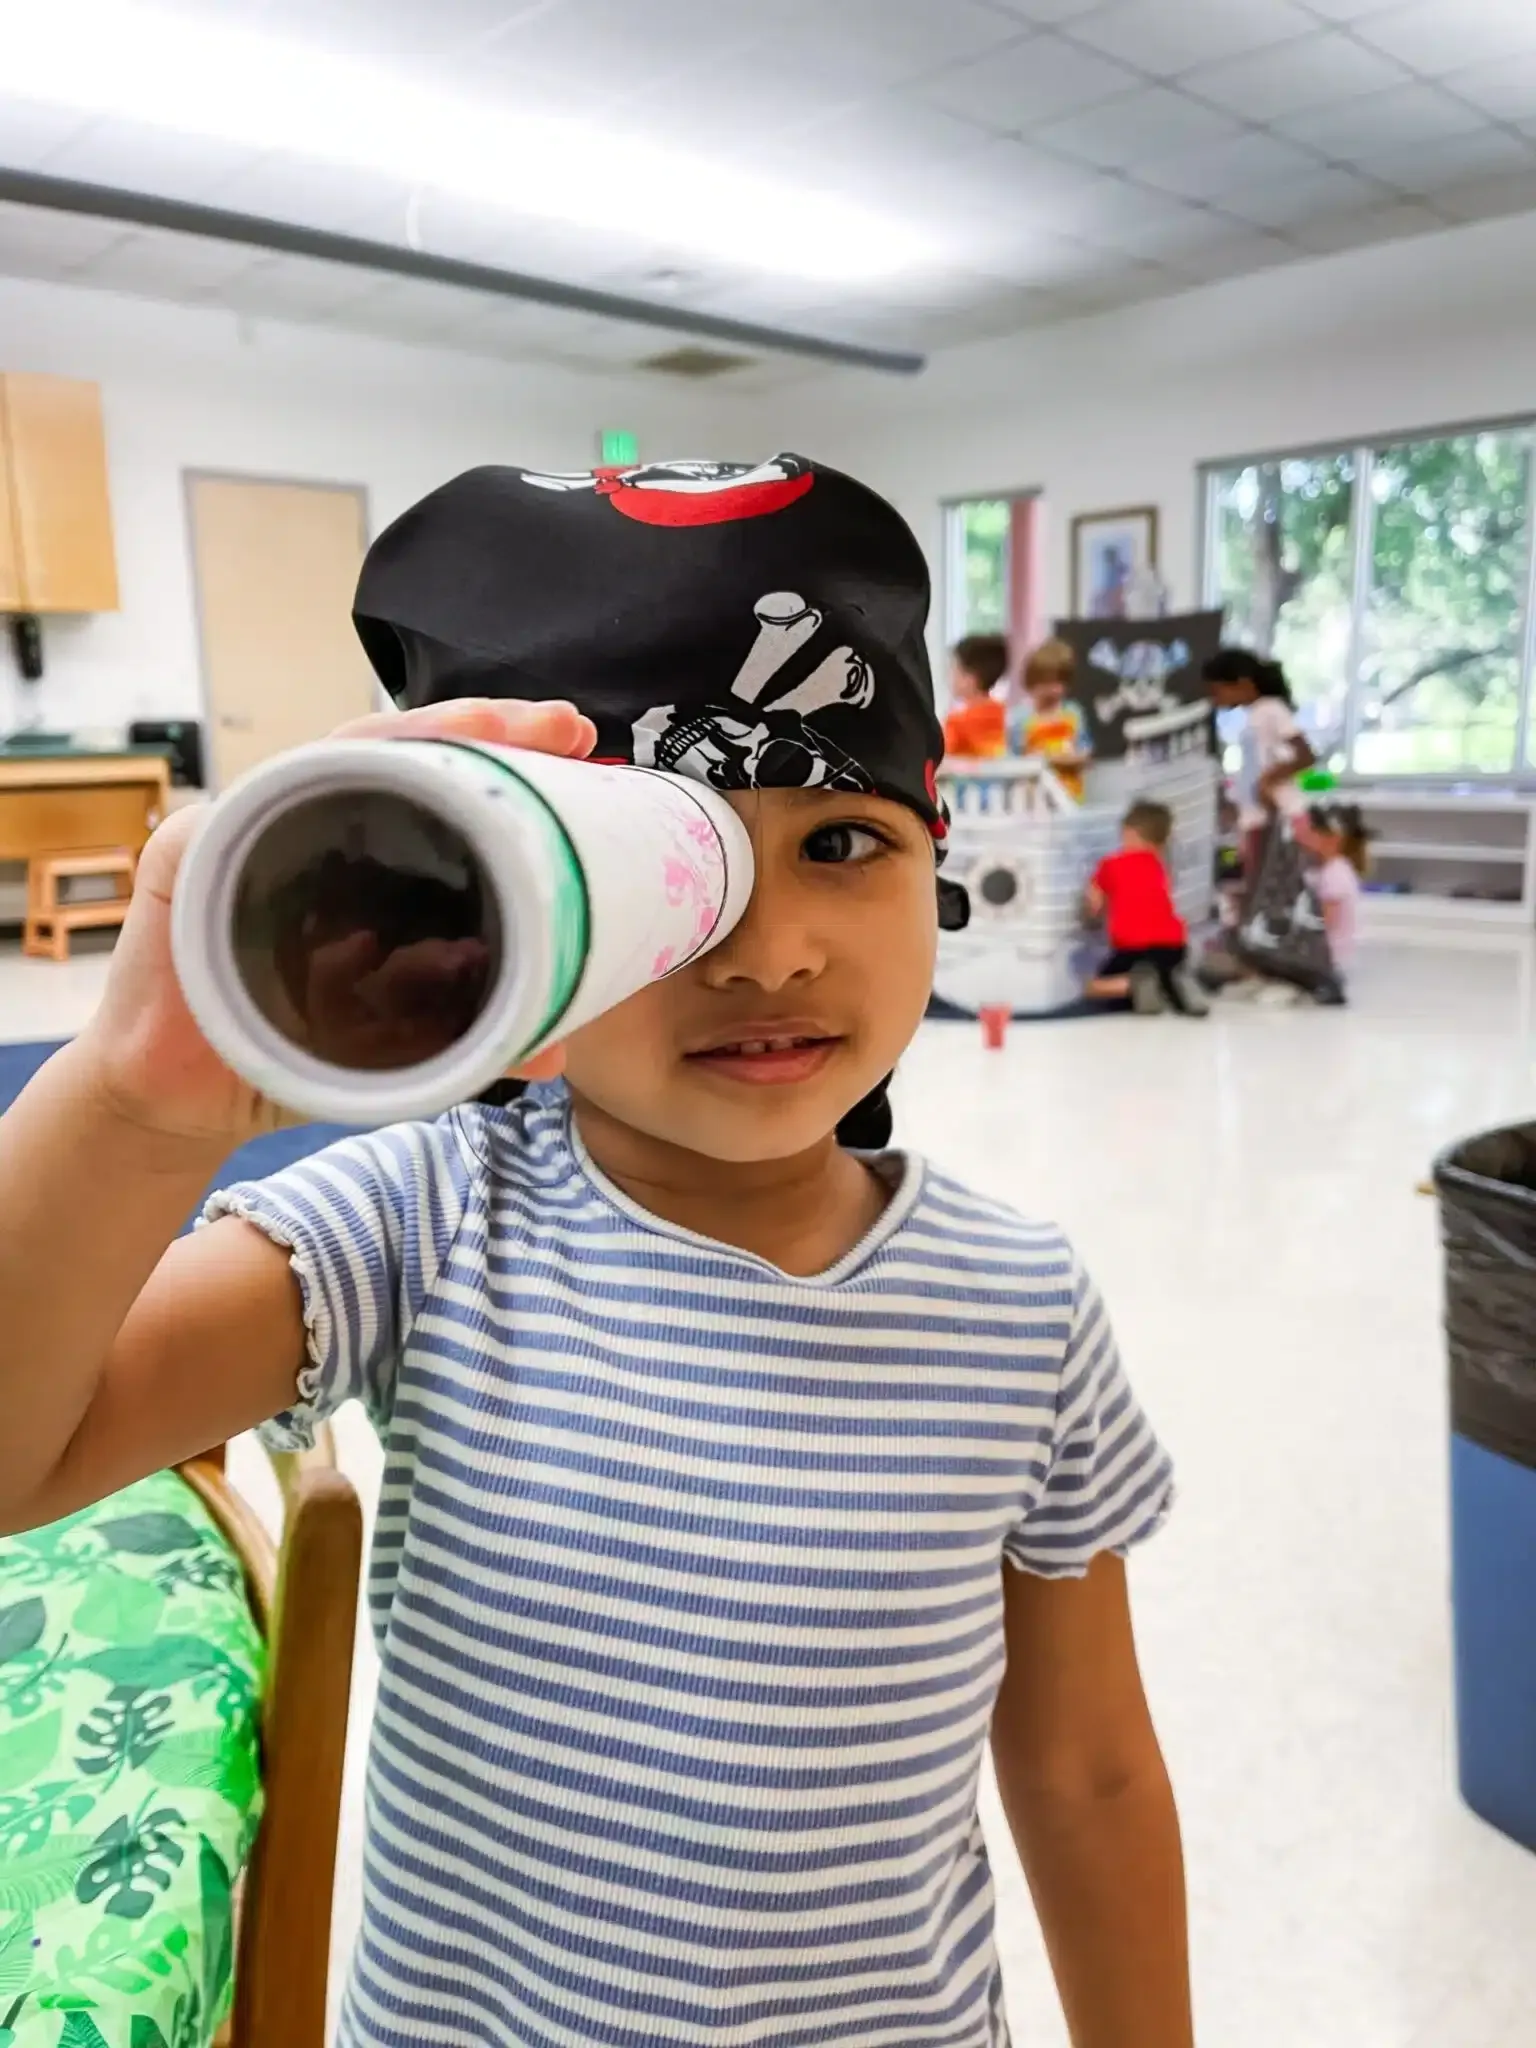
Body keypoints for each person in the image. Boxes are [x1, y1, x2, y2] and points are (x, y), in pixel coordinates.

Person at [0, 459, 1192, 2048]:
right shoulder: (426, 1226)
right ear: (520, 929)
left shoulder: (1020, 1308)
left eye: (842, 841)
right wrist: (140, 1101)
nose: (768, 948)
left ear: (936, 865)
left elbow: (1087, 1767)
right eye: (672, 883)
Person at [1085, 799, 1210, 1017]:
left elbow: (1094, 901)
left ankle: (1134, 984)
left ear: (1129, 832)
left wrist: (1091, 913)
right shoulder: (1159, 865)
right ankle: (1175, 986)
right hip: (1174, 945)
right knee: (1165, 972)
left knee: (1094, 988)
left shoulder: (1110, 864)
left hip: (1132, 947)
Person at [1203, 648, 1315, 871]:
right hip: (1255, 817)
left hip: (1276, 816)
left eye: (1217, 692)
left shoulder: (1272, 710)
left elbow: (1305, 756)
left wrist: (1268, 781)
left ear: (1242, 683)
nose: (1215, 701)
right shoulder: (1254, 715)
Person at [1296, 801, 1370, 984]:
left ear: (1331, 839)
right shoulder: (1325, 869)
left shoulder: (1335, 874)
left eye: (1307, 835)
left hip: (1331, 959)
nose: (1301, 840)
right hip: (1329, 956)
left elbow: (1325, 924)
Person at [1009, 636, 1092, 799]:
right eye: (1047, 683)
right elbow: (1013, 759)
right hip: (1032, 798)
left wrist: (1058, 760)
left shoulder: (1073, 713)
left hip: (1069, 796)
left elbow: (1085, 754)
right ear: (1033, 681)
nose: (1054, 690)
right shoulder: (1020, 718)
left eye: (1060, 682)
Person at [942, 630, 1009, 757]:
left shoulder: (957, 721)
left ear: (971, 677)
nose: (950, 677)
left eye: (954, 669)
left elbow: (942, 759)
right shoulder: (1004, 714)